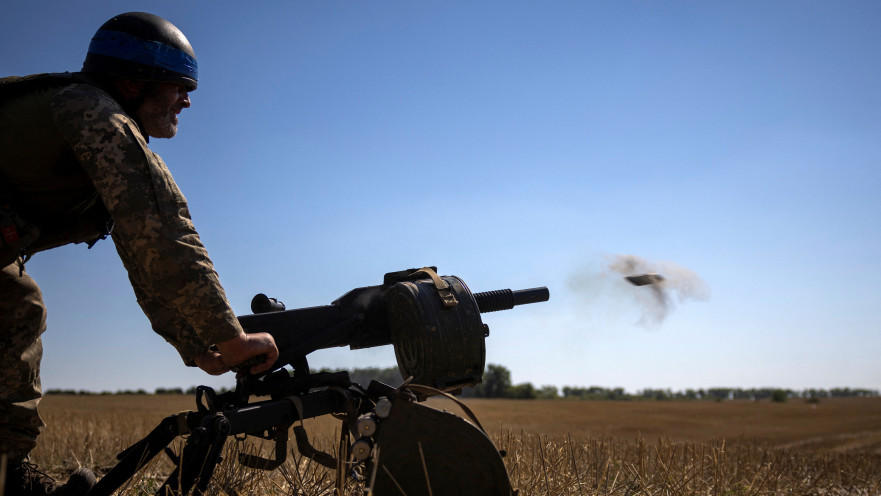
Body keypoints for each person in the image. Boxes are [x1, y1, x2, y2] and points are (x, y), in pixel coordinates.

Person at [0, 12, 279, 496]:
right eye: (178, 87)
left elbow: (140, 250)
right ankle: (8, 476)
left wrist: (194, 343)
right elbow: (164, 235)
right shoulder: (96, 115)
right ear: (133, 82)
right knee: (17, 307)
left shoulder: (84, 114)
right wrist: (228, 338)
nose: (187, 102)